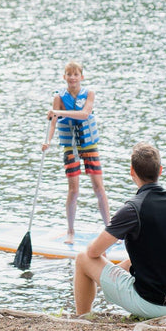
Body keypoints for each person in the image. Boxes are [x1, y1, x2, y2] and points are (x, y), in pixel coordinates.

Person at [73, 143, 166, 319]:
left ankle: (82, 319)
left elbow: (93, 252)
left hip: (152, 304)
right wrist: (118, 269)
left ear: (132, 171)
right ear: (160, 171)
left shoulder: (132, 209)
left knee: (83, 258)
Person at [42, 60, 109, 241]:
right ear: (64, 77)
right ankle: (71, 231)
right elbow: (53, 122)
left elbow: (85, 114)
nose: (72, 78)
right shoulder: (59, 97)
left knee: (98, 187)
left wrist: (59, 113)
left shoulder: (89, 94)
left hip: (88, 145)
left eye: (75, 74)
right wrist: (47, 141)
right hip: (70, 146)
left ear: (81, 77)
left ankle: (109, 229)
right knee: (73, 189)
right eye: (69, 74)